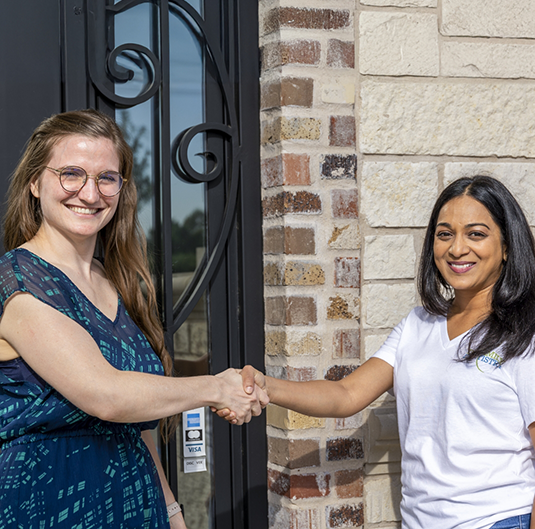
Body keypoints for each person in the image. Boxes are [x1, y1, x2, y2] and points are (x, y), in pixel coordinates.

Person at [0, 109, 266, 529]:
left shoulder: (117, 281)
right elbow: (106, 395)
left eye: (107, 178)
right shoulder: (17, 280)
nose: (90, 194)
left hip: (137, 505)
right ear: (35, 183)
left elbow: (136, 422)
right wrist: (217, 388)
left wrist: (173, 513)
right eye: (71, 173)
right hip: (51, 506)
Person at [228, 175, 535, 529]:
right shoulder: (419, 325)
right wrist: (265, 385)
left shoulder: (524, 335)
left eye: (476, 234)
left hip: (496, 520)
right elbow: (345, 393)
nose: (456, 249)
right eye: (445, 234)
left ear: (507, 246)